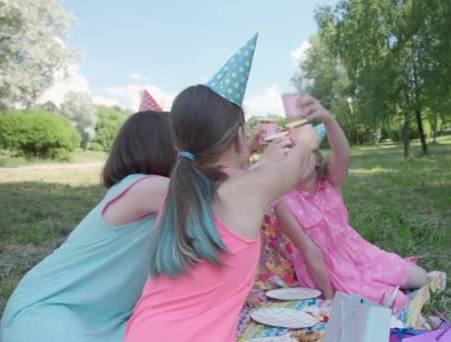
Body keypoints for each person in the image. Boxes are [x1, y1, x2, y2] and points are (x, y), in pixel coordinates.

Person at [124, 85, 318, 341]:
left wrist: (261, 162)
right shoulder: (248, 187)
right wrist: (304, 135)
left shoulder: (180, 193)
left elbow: (246, 180)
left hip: (143, 331)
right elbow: (294, 165)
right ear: (238, 136)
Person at [0, 111, 177, 342]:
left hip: (98, 320)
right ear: (164, 145)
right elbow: (222, 202)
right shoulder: (147, 188)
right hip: (51, 310)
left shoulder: (144, 191)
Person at [275, 96, 428, 312]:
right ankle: (373, 291)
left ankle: (385, 278)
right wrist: (328, 298)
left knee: (421, 278)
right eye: (292, 155)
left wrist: (328, 120)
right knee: (395, 303)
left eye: (303, 153)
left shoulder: (330, 181)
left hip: (358, 251)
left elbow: (343, 154)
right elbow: (311, 252)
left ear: (318, 159)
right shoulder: (284, 203)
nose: (298, 159)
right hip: (328, 269)